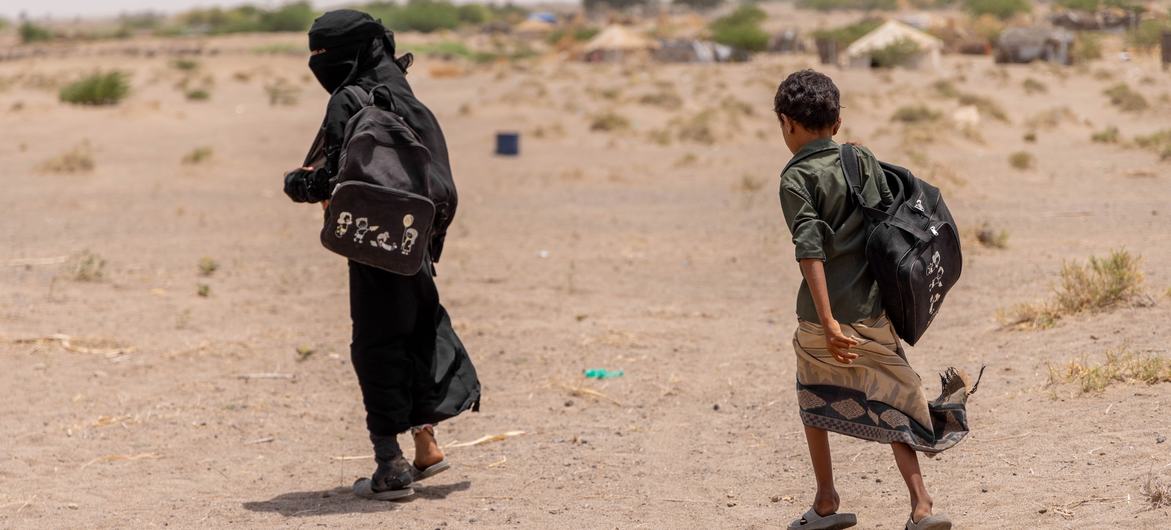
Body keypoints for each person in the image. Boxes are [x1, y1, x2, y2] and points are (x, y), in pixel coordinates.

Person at [283, 9, 480, 501]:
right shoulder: (406, 97)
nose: (317, 63)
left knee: (376, 341)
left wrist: (297, 183)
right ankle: (426, 445)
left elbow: (327, 181)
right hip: (417, 243)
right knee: (419, 327)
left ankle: (389, 465)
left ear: (353, 52)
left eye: (324, 53)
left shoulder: (349, 98)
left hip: (373, 243)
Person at [774, 70, 978, 530]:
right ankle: (921, 505)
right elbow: (887, 221)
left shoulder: (796, 179)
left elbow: (810, 249)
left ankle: (826, 501)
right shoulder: (859, 159)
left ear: (787, 123)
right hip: (873, 308)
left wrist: (827, 320)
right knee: (893, 398)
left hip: (820, 314)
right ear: (838, 121)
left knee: (813, 395)